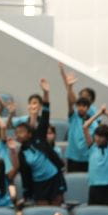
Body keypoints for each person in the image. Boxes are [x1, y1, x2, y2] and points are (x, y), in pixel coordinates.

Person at [15, 79, 67, 207]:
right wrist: (27, 194)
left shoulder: (39, 137)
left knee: (56, 210)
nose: (18, 134)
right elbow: (25, 175)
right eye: (17, 132)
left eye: (21, 131)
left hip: (54, 177)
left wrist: (46, 93)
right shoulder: (22, 153)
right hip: (39, 184)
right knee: (42, 213)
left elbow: (45, 114)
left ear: (29, 133)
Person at [84, 105, 108, 206]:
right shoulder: (92, 147)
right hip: (94, 187)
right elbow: (85, 126)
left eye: (101, 137)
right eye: (96, 135)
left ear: (107, 138)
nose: (97, 138)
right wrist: (99, 113)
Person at [61, 64, 97, 172]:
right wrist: (70, 86)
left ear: (88, 107)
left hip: (87, 157)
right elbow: (70, 102)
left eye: (84, 106)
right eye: (79, 105)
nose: (81, 108)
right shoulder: (74, 116)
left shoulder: (94, 121)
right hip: (72, 157)